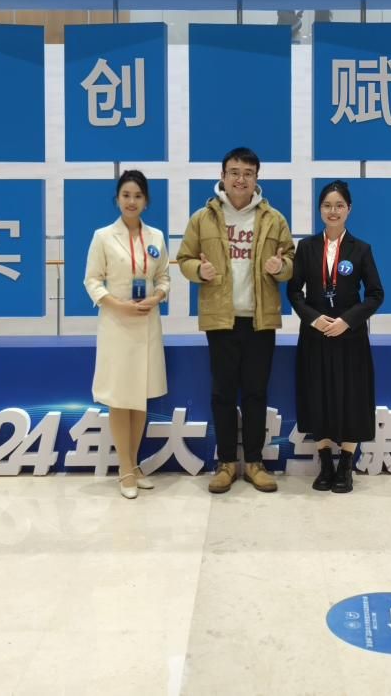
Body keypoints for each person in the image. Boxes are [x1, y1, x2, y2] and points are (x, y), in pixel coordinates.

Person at [177, 146, 295, 494]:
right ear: (223, 176)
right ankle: (226, 463)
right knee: (223, 393)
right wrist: (198, 270)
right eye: (234, 172)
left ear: (256, 178)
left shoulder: (274, 218)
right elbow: (184, 258)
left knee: (256, 393)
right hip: (221, 320)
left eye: (248, 173)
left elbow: (290, 260)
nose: (240, 179)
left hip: (260, 320)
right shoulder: (203, 218)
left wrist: (281, 267)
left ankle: (255, 463)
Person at [287, 180, 383, 494]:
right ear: (319, 210)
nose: (333, 211)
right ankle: (326, 463)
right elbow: (294, 292)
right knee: (319, 396)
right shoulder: (306, 247)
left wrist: (347, 321)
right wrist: (314, 320)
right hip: (315, 336)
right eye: (327, 205)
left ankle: (346, 466)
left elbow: (375, 294)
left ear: (349, 209)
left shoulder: (361, 249)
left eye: (339, 205)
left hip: (349, 337)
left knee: (352, 397)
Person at [84, 170, 170, 499]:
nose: (131, 201)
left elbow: (164, 278)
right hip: (117, 325)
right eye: (126, 195)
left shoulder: (156, 237)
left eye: (137, 196)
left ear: (146, 201)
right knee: (121, 397)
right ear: (117, 199)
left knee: (140, 395)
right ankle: (124, 468)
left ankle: (134, 465)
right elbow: (92, 280)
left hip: (146, 322)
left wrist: (157, 297)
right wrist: (118, 305)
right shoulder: (103, 236)